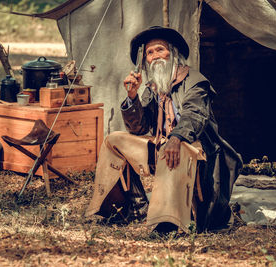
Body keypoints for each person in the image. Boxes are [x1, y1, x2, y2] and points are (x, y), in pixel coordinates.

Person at [85, 26, 243, 234]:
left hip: (196, 148)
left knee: (174, 150)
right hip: (164, 144)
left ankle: (166, 224)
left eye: (160, 50)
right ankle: (131, 208)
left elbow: (194, 116)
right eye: (150, 53)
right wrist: (132, 97)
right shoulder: (153, 87)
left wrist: (176, 138)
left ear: (173, 53)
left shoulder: (195, 81)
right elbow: (139, 128)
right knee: (114, 140)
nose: (155, 56)